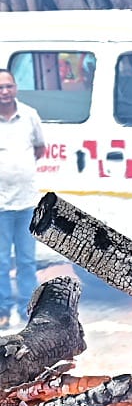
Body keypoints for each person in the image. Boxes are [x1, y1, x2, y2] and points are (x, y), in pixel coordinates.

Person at [0, 69, 45, 329]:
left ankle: (29, 309)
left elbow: (39, 148)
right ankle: (3, 309)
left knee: (27, 261)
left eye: (8, 86)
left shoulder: (29, 116)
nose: (4, 92)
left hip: (26, 203)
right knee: (1, 262)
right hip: (1, 206)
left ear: (15, 88)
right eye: (0, 88)